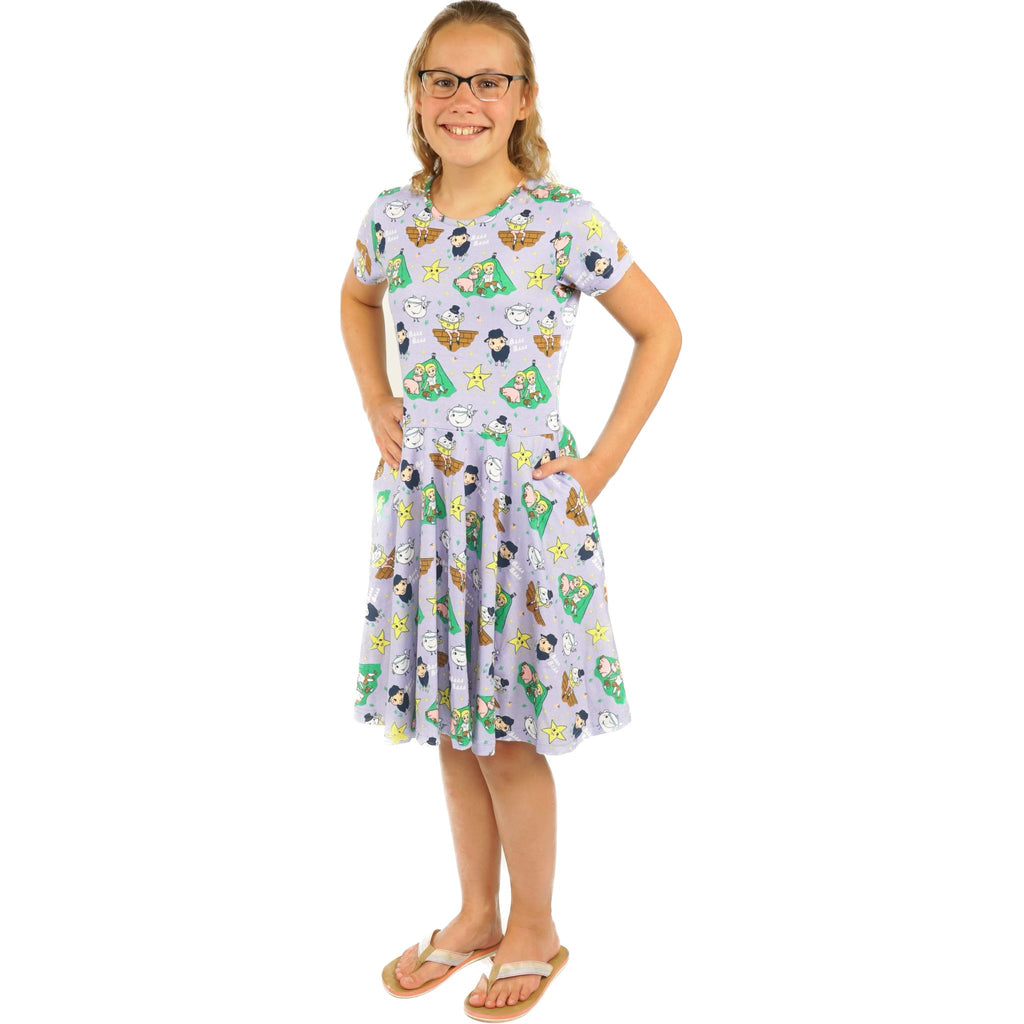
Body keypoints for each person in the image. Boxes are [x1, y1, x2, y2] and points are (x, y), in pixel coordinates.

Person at [339, 2, 681, 1018]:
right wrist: (376, 397)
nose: (466, 99)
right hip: (427, 511)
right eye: (445, 78)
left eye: (490, 81)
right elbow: (356, 298)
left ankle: (535, 924)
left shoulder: (561, 220)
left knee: (511, 730)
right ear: (416, 93)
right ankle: (476, 911)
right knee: (454, 723)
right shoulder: (392, 218)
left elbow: (660, 332)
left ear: (524, 99)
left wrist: (598, 465)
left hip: (522, 514)